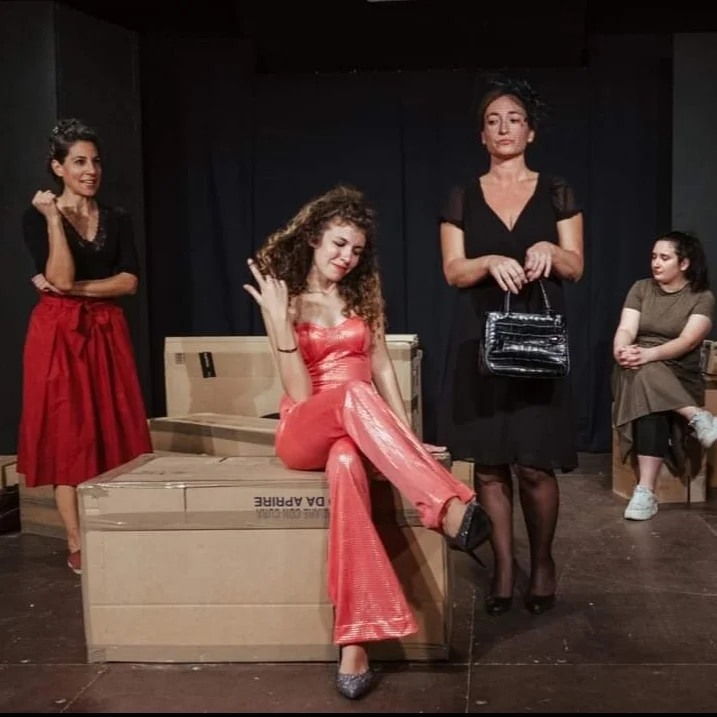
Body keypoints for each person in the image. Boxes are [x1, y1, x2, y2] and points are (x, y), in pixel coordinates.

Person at [242, 184, 491, 700]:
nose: (346, 257)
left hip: (355, 433)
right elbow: (300, 394)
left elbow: (382, 368)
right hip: (305, 427)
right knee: (352, 397)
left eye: (356, 250)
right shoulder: (286, 300)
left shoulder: (361, 298)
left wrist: (407, 439)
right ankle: (444, 505)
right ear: (314, 238)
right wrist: (279, 322)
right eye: (338, 244)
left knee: (346, 465)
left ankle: (354, 642)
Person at [436, 75, 584, 617]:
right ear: (482, 134)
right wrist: (488, 261)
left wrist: (549, 248)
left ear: (530, 132)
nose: (504, 128)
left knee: (535, 465)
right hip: (480, 338)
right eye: (493, 121)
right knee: (491, 464)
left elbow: (576, 265)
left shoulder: (557, 190)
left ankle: (541, 564)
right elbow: (453, 271)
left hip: (537, 342)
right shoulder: (462, 194)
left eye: (514, 119)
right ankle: (502, 567)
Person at [17, 118, 152, 575]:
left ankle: (117, 528)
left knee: (115, 427)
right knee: (68, 435)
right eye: (78, 162)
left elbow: (128, 281)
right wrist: (54, 219)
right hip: (59, 333)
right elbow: (58, 274)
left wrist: (73, 289)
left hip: (106, 330)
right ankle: (76, 540)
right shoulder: (37, 218)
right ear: (58, 168)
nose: (90, 170)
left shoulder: (117, 218)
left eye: (95, 161)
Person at [613, 230, 716, 521]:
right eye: (654, 257)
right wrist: (622, 349)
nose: (656, 263)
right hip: (634, 364)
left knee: (647, 391)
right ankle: (696, 416)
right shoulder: (641, 288)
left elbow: (688, 341)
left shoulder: (701, 297)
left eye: (664, 257)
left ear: (684, 263)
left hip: (678, 371)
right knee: (641, 376)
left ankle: (645, 492)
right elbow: (626, 329)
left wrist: (648, 355)